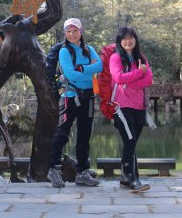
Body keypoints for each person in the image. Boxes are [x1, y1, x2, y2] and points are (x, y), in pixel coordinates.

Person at [47, 18, 103, 188]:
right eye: (68, 31)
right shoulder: (64, 51)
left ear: (81, 31)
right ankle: (53, 169)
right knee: (62, 133)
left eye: (75, 31)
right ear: (65, 33)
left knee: (84, 135)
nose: (71, 34)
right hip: (70, 97)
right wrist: (86, 70)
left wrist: (81, 69)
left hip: (88, 97)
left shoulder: (89, 49)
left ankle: (82, 172)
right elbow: (71, 75)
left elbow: (100, 66)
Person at [109, 26, 153, 192]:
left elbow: (148, 79)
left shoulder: (141, 58)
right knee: (130, 140)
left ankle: (124, 178)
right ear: (120, 41)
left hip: (139, 106)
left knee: (131, 143)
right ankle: (134, 179)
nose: (128, 41)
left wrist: (130, 82)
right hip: (121, 106)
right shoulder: (115, 58)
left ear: (135, 40)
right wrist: (138, 74)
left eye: (131, 37)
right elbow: (118, 78)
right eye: (124, 38)